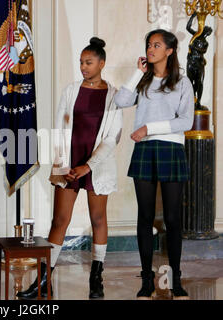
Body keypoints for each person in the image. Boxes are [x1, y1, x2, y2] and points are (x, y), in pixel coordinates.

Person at [17, 37, 123, 299]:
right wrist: (64, 164)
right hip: (69, 164)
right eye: (81, 63)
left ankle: (96, 277)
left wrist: (88, 166)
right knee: (59, 220)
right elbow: (59, 128)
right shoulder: (71, 90)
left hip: (96, 164)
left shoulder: (113, 96)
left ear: (102, 63)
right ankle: (44, 280)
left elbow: (113, 137)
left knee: (98, 219)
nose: (83, 67)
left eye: (88, 62)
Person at [114, 29, 194, 300]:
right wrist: (137, 72)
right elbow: (120, 101)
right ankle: (147, 281)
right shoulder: (143, 81)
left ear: (170, 50)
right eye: (149, 44)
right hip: (145, 151)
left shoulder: (183, 83)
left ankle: (176, 280)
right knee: (145, 218)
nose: (151, 49)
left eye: (157, 45)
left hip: (171, 150)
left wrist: (149, 127)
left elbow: (186, 122)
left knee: (172, 218)